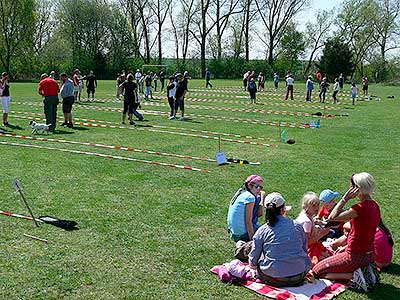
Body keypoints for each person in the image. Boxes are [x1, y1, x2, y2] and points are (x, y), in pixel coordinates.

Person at [312, 173, 381, 292]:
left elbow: (331, 217)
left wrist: (345, 198)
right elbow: (363, 232)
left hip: (354, 256)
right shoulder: (375, 205)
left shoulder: (358, 208)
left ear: (356, 188)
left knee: (317, 271)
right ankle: (364, 270)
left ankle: (355, 275)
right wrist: (346, 246)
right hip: (369, 254)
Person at [248, 192, 312, 287]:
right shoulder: (297, 226)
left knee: (260, 252)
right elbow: (304, 248)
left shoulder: (262, 231)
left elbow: (253, 260)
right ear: (283, 209)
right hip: (299, 275)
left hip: (273, 278)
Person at [227, 175, 264, 242]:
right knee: (268, 232)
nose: (259, 189)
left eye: (261, 187)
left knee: (257, 198)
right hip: (243, 234)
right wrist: (252, 241)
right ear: (250, 186)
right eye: (256, 187)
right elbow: (248, 222)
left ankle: (241, 242)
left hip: (234, 233)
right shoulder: (250, 198)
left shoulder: (240, 192)